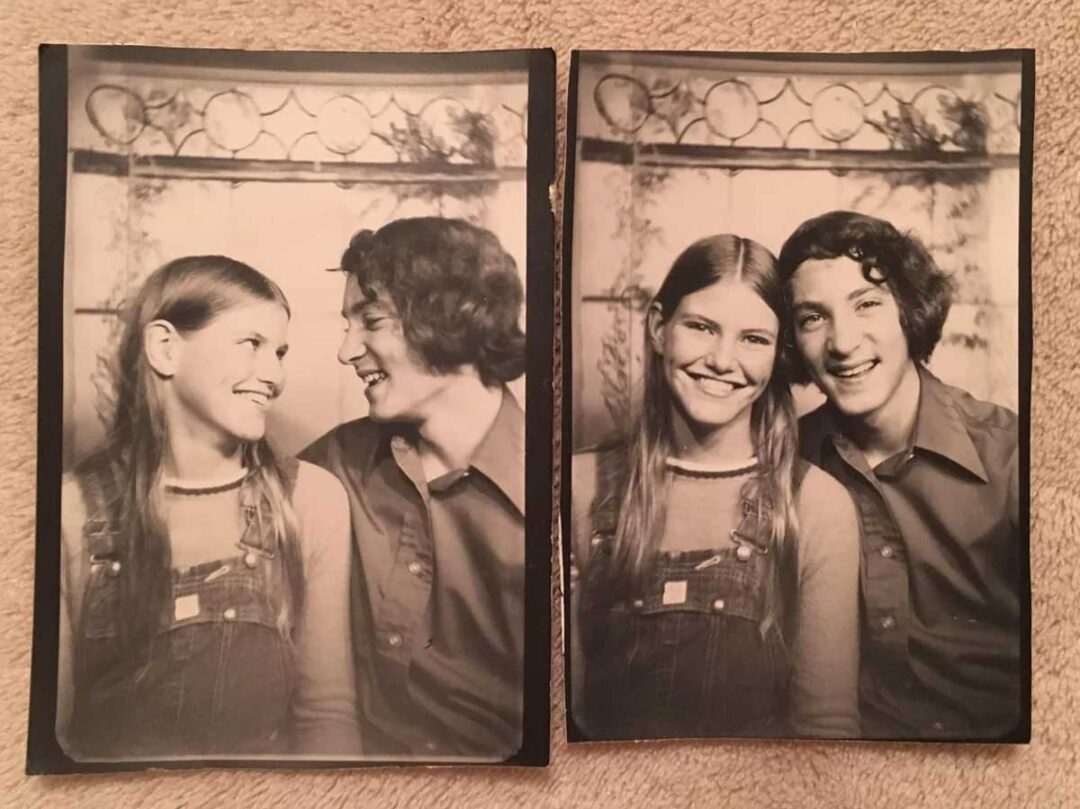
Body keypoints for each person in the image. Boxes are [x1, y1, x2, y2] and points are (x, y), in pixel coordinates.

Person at [57, 256, 362, 760]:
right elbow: (52, 742)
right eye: (252, 345)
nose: (274, 375)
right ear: (165, 348)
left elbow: (326, 717)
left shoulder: (311, 500)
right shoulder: (70, 512)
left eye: (280, 352)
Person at [570, 234, 861, 741]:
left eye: (754, 339)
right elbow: (561, 716)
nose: (723, 361)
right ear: (660, 328)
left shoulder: (814, 505)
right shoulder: (579, 487)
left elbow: (826, 728)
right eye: (702, 328)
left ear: (777, 356)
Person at [777, 210, 1022, 740]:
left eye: (866, 304)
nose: (842, 343)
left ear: (910, 313)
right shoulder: (781, 463)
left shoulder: (1013, 457)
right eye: (812, 318)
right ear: (792, 342)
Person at [301, 217, 526, 760]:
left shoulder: (556, 490)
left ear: (448, 319)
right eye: (346, 325)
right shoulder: (335, 464)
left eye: (370, 321)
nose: (346, 351)